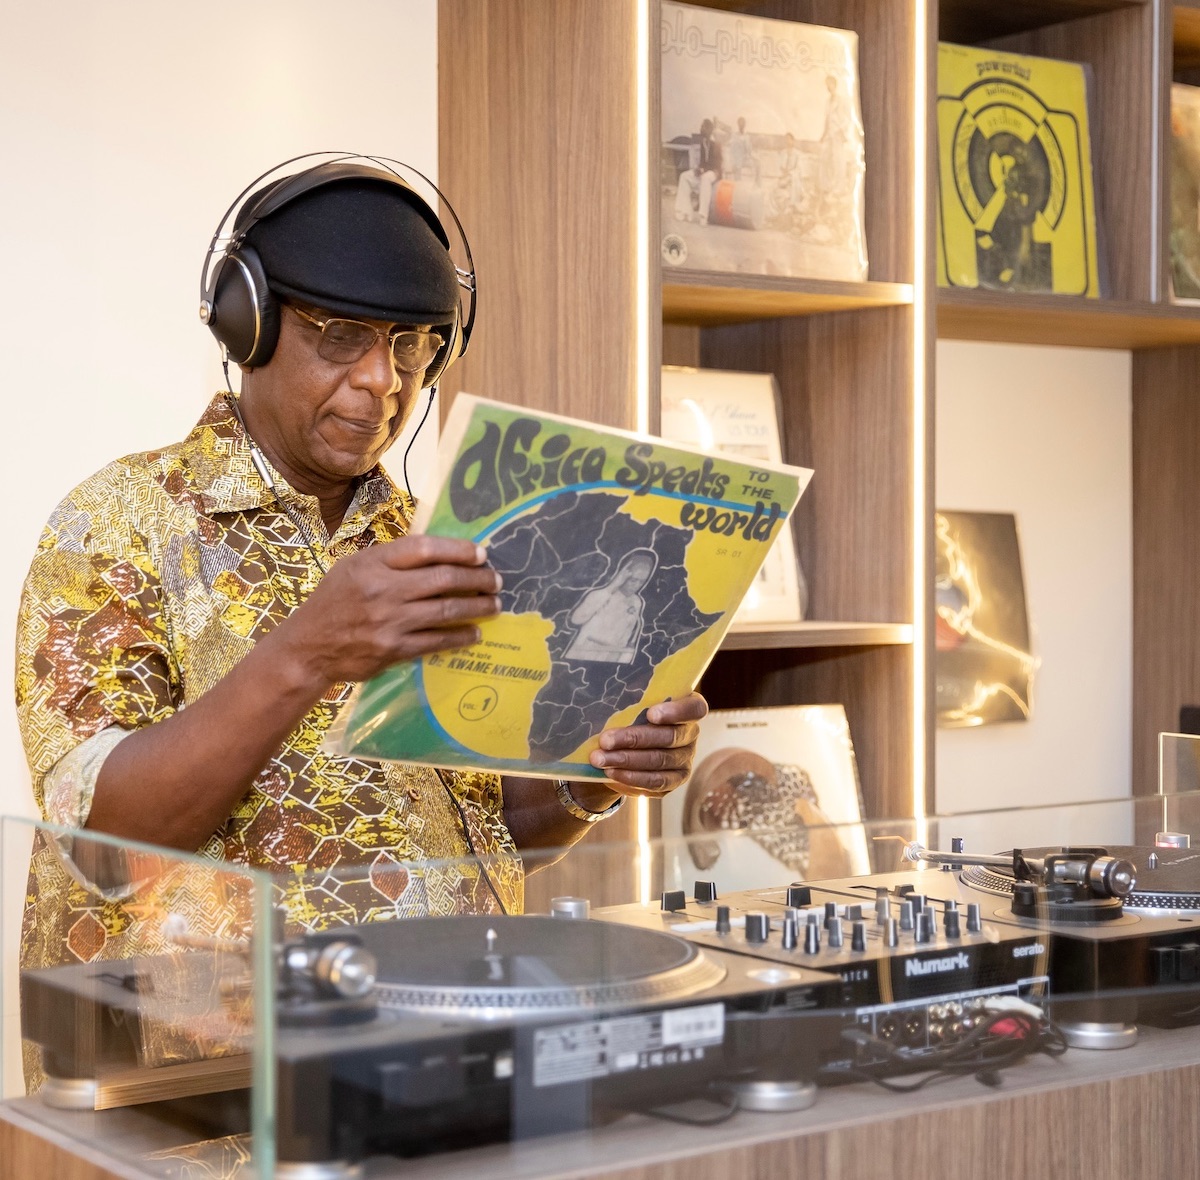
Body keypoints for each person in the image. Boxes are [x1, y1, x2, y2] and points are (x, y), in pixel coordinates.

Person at [15, 159, 707, 992]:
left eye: (414, 345)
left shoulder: (439, 537)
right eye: (342, 335)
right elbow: (102, 845)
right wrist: (307, 653)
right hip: (207, 1085)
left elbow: (484, 835)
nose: (385, 381)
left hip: (434, 1044)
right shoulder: (115, 523)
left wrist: (589, 777)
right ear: (250, 326)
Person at [565, 550, 657, 664]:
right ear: (623, 574)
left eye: (641, 582)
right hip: (585, 653)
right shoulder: (602, 594)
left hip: (611, 657)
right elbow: (576, 619)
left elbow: (627, 634)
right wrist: (612, 586)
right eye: (633, 580)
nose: (636, 586)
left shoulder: (636, 602)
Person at [674, 118, 722, 225]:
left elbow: (717, 165)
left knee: (705, 178)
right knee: (684, 176)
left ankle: (703, 216)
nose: (701, 129)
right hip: (705, 171)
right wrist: (698, 169)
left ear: (709, 129)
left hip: (714, 173)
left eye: (703, 127)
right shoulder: (702, 143)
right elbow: (703, 163)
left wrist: (703, 170)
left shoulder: (716, 144)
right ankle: (683, 211)